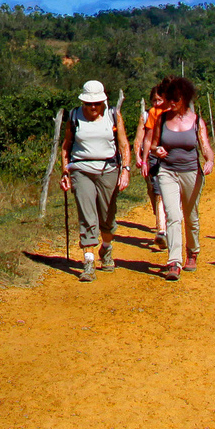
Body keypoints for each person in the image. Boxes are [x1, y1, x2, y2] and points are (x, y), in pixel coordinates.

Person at [60, 80, 131, 282]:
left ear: (103, 102)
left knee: (107, 217)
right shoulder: (74, 117)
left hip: (109, 169)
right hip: (80, 170)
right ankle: (88, 262)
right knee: (86, 214)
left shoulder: (113, 116)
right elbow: (66, 147)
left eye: (97, 103)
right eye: (89, 103)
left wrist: (125, 170)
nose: (93, 107)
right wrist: (65, 172)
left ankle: (106, 248)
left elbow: (124, 145)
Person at [150, 77, 215, 281]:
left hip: (191, 173)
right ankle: (174, 261)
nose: (172, 103)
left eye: (176, 99)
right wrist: (157, 150)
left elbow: (205, 145)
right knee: (173, 214)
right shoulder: (162, 119)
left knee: (190, 215)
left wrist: (209, 160)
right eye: (170, 99)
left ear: (185, 98)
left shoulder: (196, 121)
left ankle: (192, 251)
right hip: (167, 171)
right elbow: (153, 144)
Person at [134, 79, 170, 249]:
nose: (156, 103)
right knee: (155, 192)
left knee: (164, 194)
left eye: (159, 100)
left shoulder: (173, 112)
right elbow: (142, 139)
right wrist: (141, 157)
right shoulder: (150, 115)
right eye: (154, 100)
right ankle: (161, 226)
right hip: (154, 156)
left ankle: (164, 228)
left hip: (170, 157)